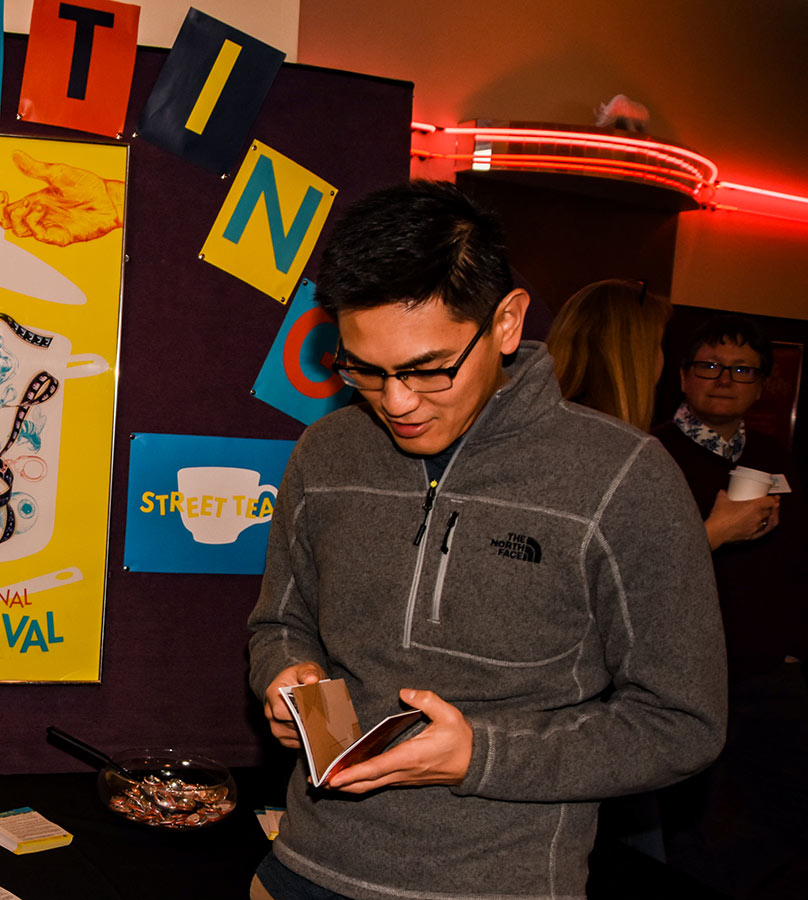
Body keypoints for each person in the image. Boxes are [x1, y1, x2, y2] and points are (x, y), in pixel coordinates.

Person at [246, 180, 727, 900]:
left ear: (506, 323)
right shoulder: (324, 452)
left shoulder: (625, 477)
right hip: (304, 868)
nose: (397, 402)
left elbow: (682, 724)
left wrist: (484, 755)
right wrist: (289, 679)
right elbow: (282, 624)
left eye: (428, 369)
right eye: (365, 370)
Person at [653, 315, 807, 898]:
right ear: (684, 377)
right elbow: (640, 569)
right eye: (710, 366)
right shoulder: (651, 453)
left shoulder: (779, 457)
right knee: (696, 834)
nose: (724, 379)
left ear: (763, 384)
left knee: (780, 825)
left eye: (742, 369)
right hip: (688, 675)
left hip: (771, 676)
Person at [547, 278, 671, 430]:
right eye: (658, 344)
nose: (662, 357)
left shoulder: (541, 416)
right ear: (635, 356)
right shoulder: (615, 440)